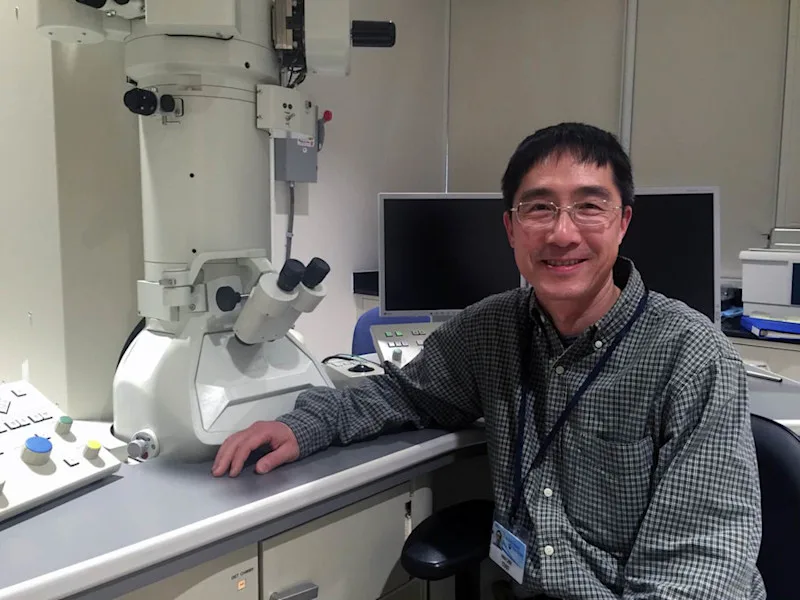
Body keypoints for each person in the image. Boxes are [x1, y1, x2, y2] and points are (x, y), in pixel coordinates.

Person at [212, 122, 765, 599]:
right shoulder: (493, 327)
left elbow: (700, 571)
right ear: (510, 228)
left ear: (623, 223)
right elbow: (404, 392)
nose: (562, 232)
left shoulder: (693, 357)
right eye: (539, 208)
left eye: (590, 206)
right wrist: (303, 424)